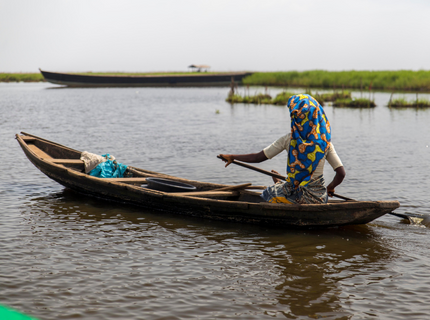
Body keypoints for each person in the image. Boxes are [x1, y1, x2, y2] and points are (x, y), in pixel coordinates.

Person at [219, 94, 345, 205]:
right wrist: (330, 187)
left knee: (269, 192)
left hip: (298, 198)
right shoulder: (325, 143)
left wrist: (233, 157)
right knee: (290, 187)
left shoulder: (289, 139)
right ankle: (281, 182)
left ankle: (280, 183)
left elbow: (258, 158)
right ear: (316, 116)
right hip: (319, 198)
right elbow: (341, 173)